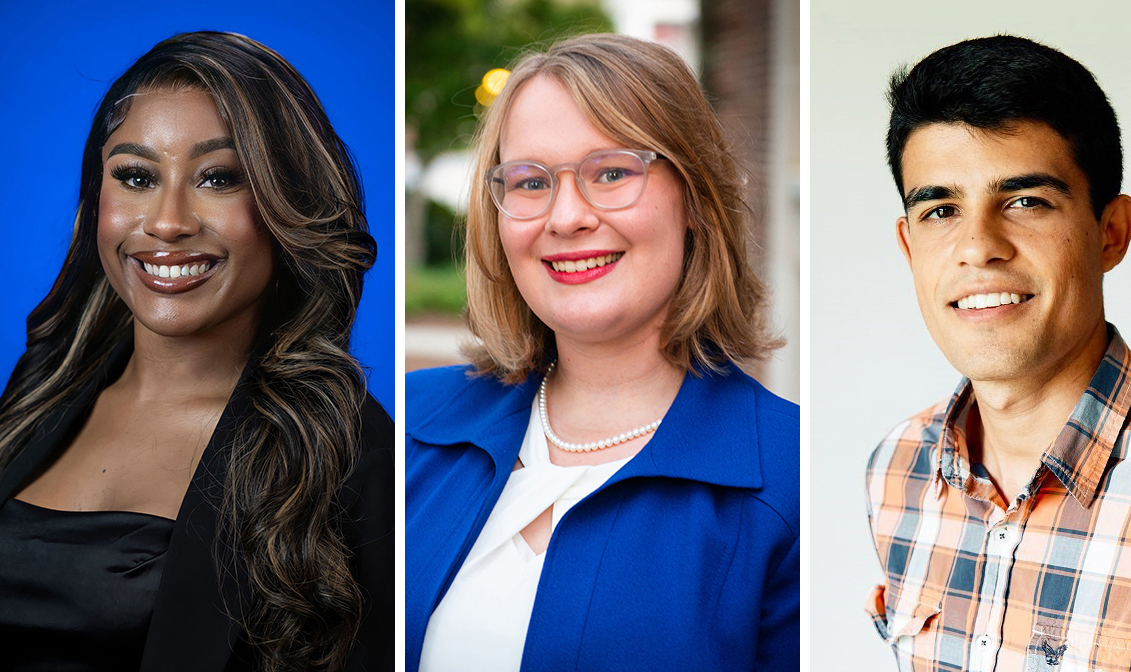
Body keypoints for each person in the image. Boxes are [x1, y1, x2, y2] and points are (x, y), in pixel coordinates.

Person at [405, 33, 800, 672]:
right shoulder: (404, 426)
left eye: (611, 172)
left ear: (695, 199)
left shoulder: (792, 478)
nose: (566, 217)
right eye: (530, 181)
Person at [0, 32, 392, 671]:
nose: (168, 221)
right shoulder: (41, 388)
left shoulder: (349, 457)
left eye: (217, 177)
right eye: (135, 176)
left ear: (286, 201)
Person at [865, 35, 1131, 671]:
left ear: (1112, 232)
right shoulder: (896, 472)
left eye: (1025, 202)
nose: (978, 247)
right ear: (910, 248)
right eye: (940, 209)